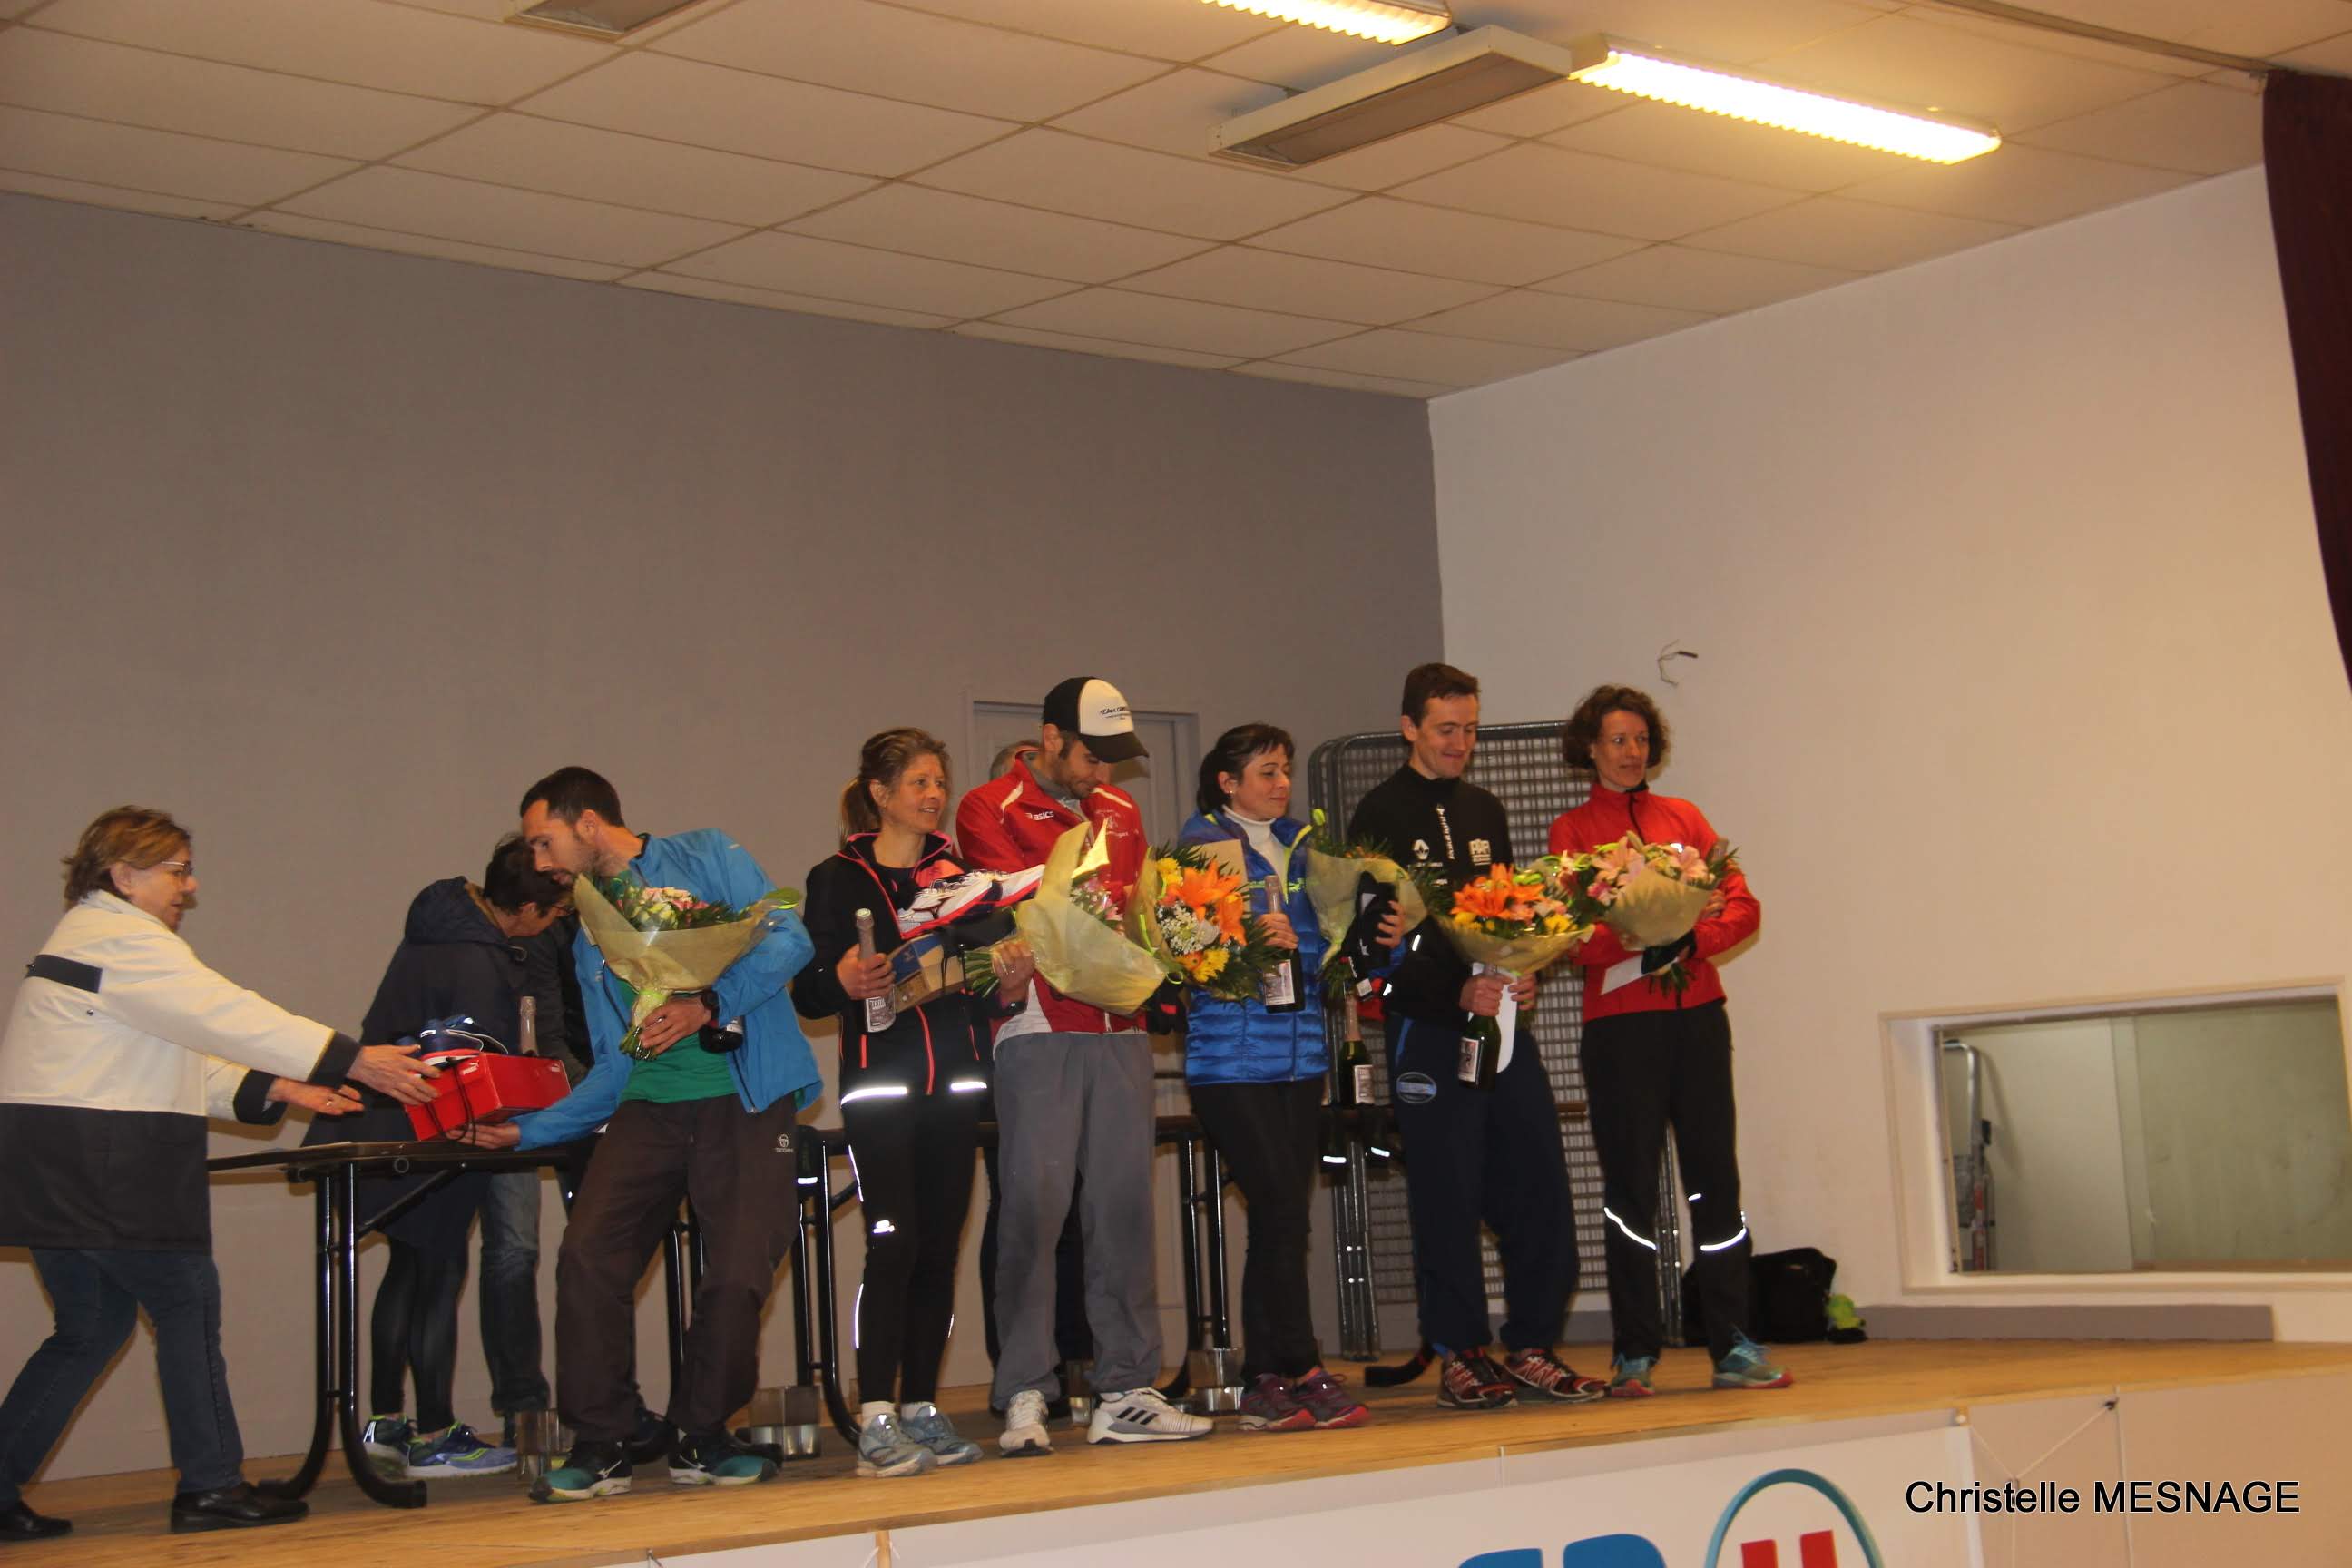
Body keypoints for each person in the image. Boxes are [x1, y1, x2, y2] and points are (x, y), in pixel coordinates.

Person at [0, 808, 439, 1539]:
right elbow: (227, 1014)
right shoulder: (124, 939)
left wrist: (281, 1086)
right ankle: (209, 1486)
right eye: (176, 870)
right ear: (123, 875)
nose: (190, 885)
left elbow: (173, 1052)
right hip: (105, 1169)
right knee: (186, 1302)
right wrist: (353, 1058)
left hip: (56, 1171)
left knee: (91, 1327)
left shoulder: (91, 941)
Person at [459, 769, 818, 1504]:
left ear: (588, 824)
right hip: (647, 1110)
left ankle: (704, 1434)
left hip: (745, 1101)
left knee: (737, 1274)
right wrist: (527, 1131)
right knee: (587, 1258)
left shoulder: (708, 855)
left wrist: (709, 1003)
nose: (540, 862)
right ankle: (603, 1440)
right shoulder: (587, 930)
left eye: (545, 841)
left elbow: (791, 940)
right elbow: (613, 1063)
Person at [956, 677, 1210, 1455]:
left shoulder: (1123, 810)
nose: (1103, 772)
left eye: (1113, 758)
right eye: (1092, 756)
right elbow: (1021, 910)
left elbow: (1135, 911)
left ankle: (1127, 1388)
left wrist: (1179, 949)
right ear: (1050, 738)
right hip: (1039, 1024)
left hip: (1121, 1029)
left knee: (1124, 1209)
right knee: (1033, 1211)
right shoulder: (988, 807)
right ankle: (1025, 1389)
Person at [1348, 664, 1603, 1412]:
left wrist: (1525, 970)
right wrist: (1449, 990)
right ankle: (1460, 1353)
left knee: (1539, 1182)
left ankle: (1532, 1346)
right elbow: (1370, 949)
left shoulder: (1486, 808)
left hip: (1502, 1026)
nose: (1460, 743)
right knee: (1448, 1194)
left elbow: (1508, 913)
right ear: (1409, 728)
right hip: (1427, 1032)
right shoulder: (1380, 813)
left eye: (1470, 729)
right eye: (1445, 729)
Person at [794, 729, 1038, 1478]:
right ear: (880, 793)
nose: (934, 796)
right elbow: (808, 991)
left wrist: (1010, 984)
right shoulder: (839, 878)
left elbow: (984, 993)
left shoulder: (962, 878)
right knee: (893, 1243)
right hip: (882, 1088)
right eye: (919, 783)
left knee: (939, 1247)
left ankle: (923, 1407)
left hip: (956, 1086)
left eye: (939, 783)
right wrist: (844, 980)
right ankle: (876, 1415)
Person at [1547, 686, 1788, 1396]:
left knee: (1716, 1179)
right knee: (1630, 1188)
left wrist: (1691, 940)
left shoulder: (1685, 818)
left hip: (1698, 1019)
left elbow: (1743, 906)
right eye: (1617, 740)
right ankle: (1634, 1351)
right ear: (1590, 747)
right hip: (1620, 1029)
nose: (1632, 752)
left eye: (1641, 739)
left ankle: (1733, 1342)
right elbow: (1570, 937)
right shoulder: (1572, 830)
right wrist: (1635, 936)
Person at [318, 834, 571, 1480]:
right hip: (439, 1131)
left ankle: (386, 1425)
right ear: (528, 910)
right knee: (438, 1270)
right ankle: (434, 1436)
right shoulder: (480, 960)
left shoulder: (435, 931)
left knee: (406, 1271)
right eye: (553, 914)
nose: (552, 925)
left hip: (386, 1126)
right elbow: (477, 1064)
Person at [1179, 725, 1368, 1433]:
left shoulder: (1303, 844)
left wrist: (1344, 940)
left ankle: (1268, 1377)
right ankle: (1298, 1367)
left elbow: (1325, 941)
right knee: (1280, 1208)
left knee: (1283, 1218)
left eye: (1285, 769)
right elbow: (1187, 954)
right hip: (1228, 1062)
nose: (1282, 783)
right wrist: (1248, 942)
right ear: (1227, 782)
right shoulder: (1200, 846)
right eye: (1266, 771)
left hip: (1300, 1057)